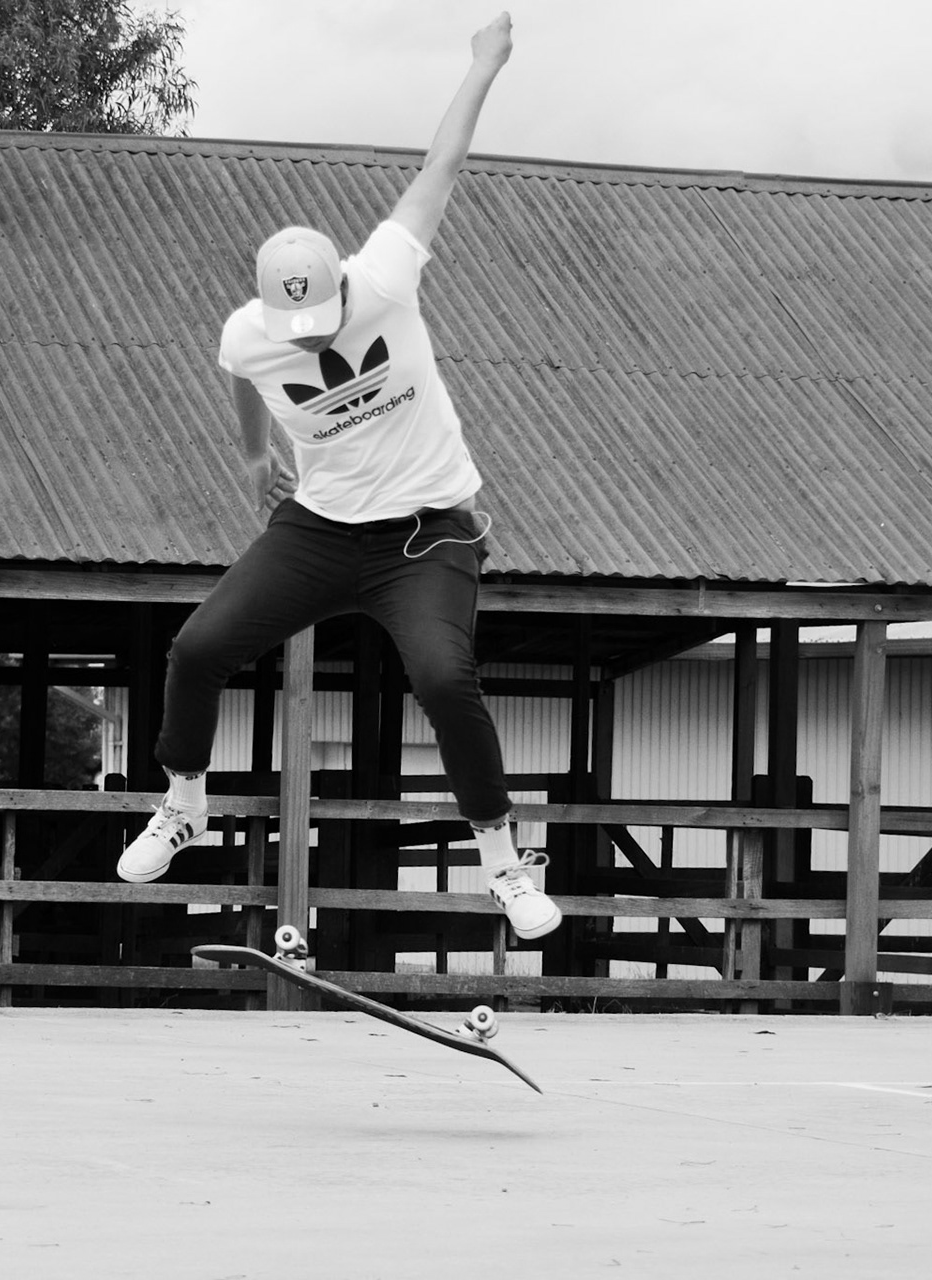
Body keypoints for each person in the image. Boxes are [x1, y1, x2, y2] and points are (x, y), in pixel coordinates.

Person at [116, 12, 560, 941]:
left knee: (443, 678)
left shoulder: (389, 273)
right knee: (197, 648)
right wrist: (252, 457)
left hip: (428, 532)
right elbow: (240, 374)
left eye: (321, 324)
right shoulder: (247, 335)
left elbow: (442, 166)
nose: (310, 342)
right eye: (297, 335)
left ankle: (502, 864)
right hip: (320, 529)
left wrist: (483, 65)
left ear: (339, 289)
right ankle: (185, 802)